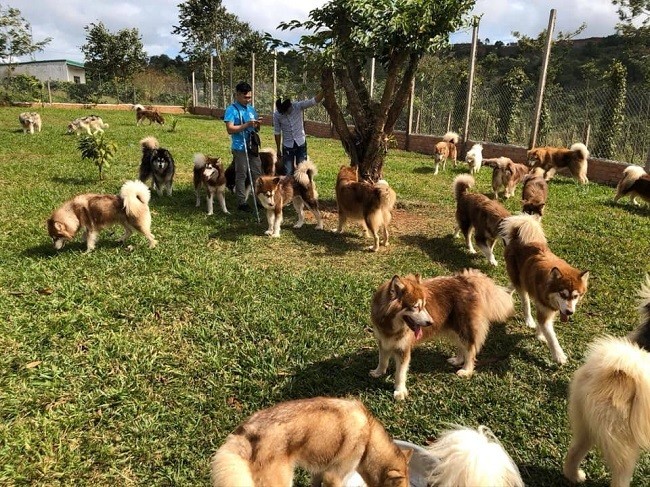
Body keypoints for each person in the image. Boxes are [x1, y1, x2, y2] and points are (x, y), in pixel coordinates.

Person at [224, 81, 262, 212]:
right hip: (240, 146)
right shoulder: (231, 110)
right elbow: (230, 129)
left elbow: (256, 128)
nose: (248, 100)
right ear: (238, 95)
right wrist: (246, 125)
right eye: (246, 97)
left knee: (257, 172)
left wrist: (257, 124)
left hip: (252, 145)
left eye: (250, 97)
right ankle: (242, 201)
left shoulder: (251, 109)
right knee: (242, 174)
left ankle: (259, 198)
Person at [273, 90, 324, 176]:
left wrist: (325, 90)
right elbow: (277, 132)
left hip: (300, 143)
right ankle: (290, 188)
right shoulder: (277, 115)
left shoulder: (297, 106)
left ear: (290, 105)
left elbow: (314, 101)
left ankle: (302, 188)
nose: (285, 113)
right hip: (287, 145)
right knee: (288, 172)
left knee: (302, 171)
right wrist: (278, 149)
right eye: (283, 112)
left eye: (287, 110)